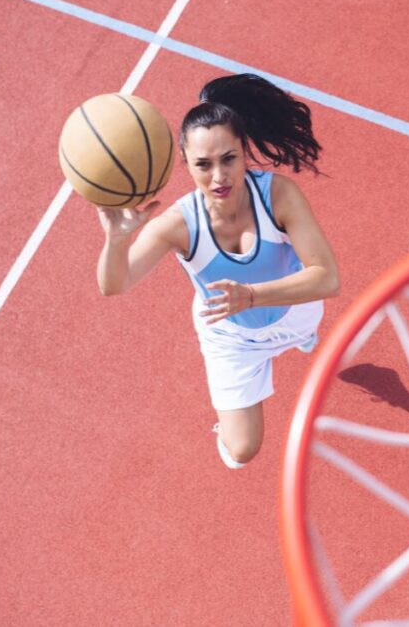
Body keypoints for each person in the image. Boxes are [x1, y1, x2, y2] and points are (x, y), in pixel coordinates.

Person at [96, 74, 340, 469]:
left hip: (294, 313)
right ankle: (225, 426)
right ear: (186, 165)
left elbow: (327, 277)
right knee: (242, 452)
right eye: (203, 165)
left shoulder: (278, 195)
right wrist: (117, 239)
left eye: (229, 159)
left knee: (307, 327)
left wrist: (253, 296)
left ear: (245, 151)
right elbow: (114, 284)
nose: (219, 177)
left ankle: (302, 338)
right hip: (231, 338)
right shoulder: (178, 224)